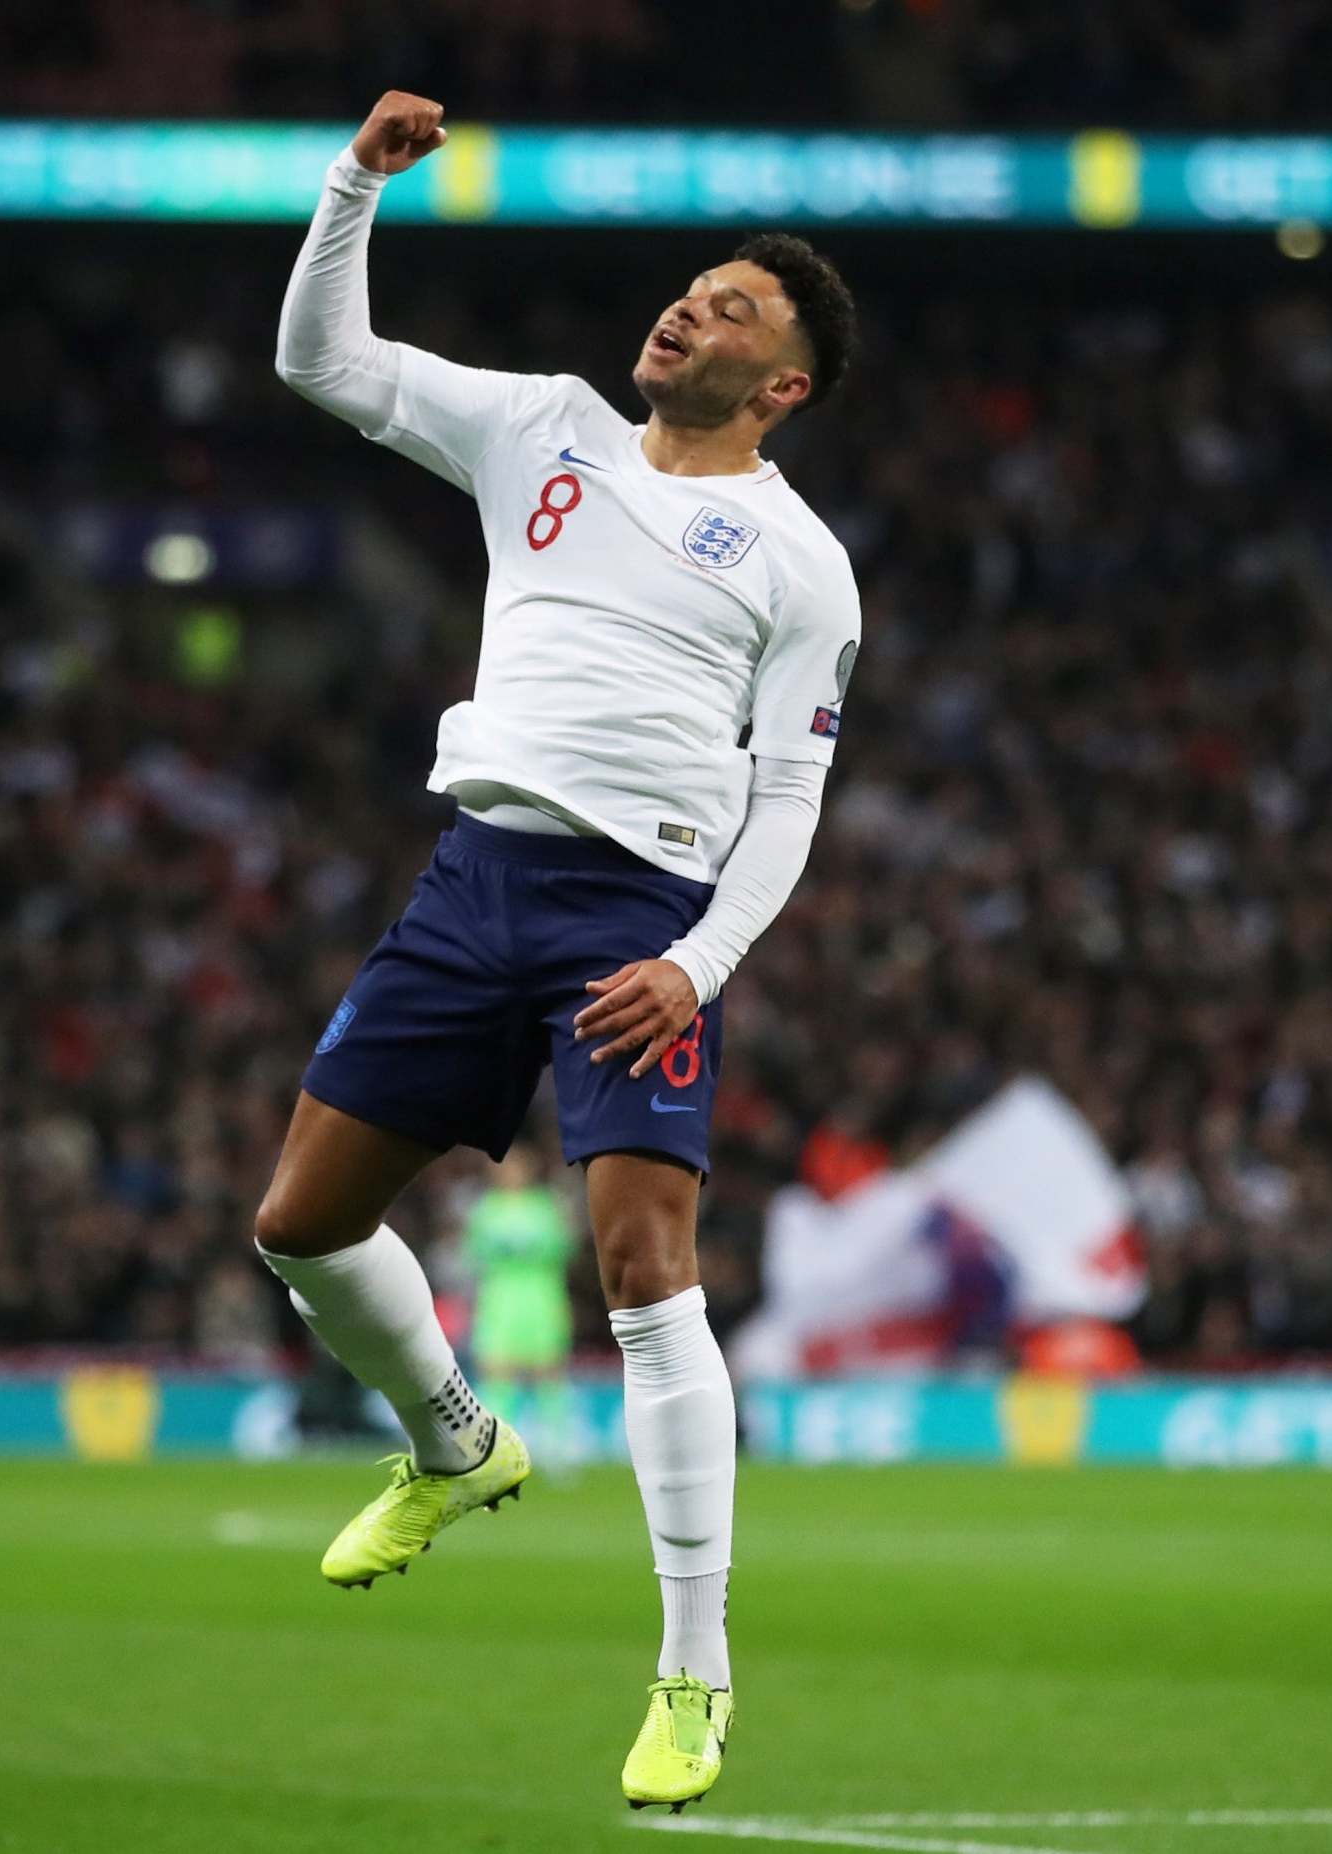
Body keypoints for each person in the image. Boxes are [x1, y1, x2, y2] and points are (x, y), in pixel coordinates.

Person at [250, 90, 859, 1812]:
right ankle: (454, 1439)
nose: (690, 309)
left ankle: (694, 1671)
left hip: (633, 913)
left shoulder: (803, 564)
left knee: (642, 1267)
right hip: (474, 879)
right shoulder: (540, 426)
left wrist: (702, 959)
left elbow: (792, 795)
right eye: (691, 289)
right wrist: (353, 182)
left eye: (736, 309)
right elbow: (327, 363)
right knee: (298, 1222)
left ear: (782, 385)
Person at [460, 1142, 580, 1459]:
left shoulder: (546, 1207)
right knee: (498, 1372)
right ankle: (496, 1448)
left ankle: (558, 1448)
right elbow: (474, 1254)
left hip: (540, 1295)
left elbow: (565, 1249)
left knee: (548, 1371)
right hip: (500, 1298)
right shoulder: (486, 1209)